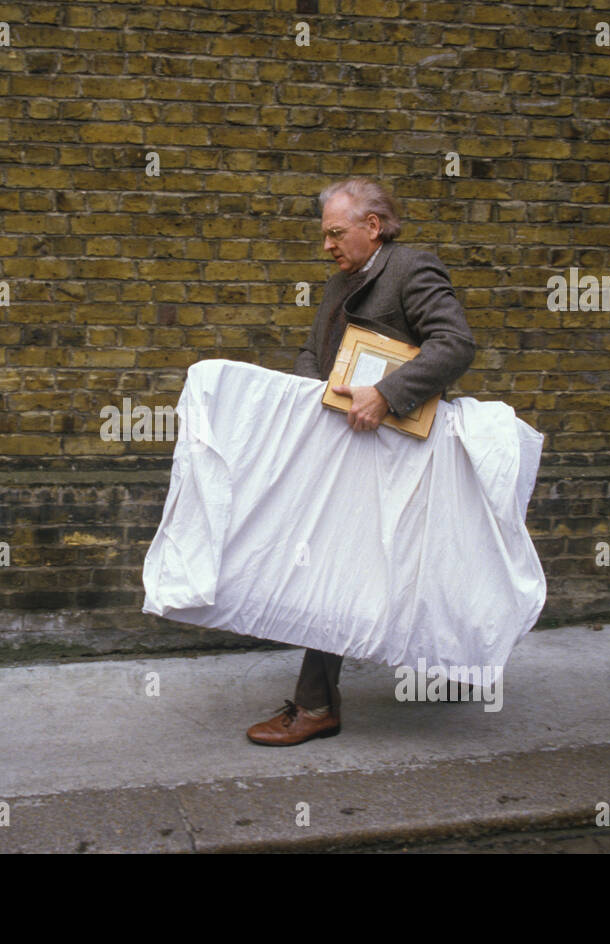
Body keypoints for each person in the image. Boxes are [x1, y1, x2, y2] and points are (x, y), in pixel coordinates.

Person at [246, 177, 478, 746]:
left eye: (335, 232)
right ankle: (451, 673)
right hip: (346, 450)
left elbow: (454, 344)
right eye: (324, 234)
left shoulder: (411, 269)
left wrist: (388, 391)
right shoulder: (338, 284)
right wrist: (310, 397)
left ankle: (317, 705)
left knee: (353, 566)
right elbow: (313, 352)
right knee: (367, 565)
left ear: (372, 226)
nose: (327, 244)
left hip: (398, 452)